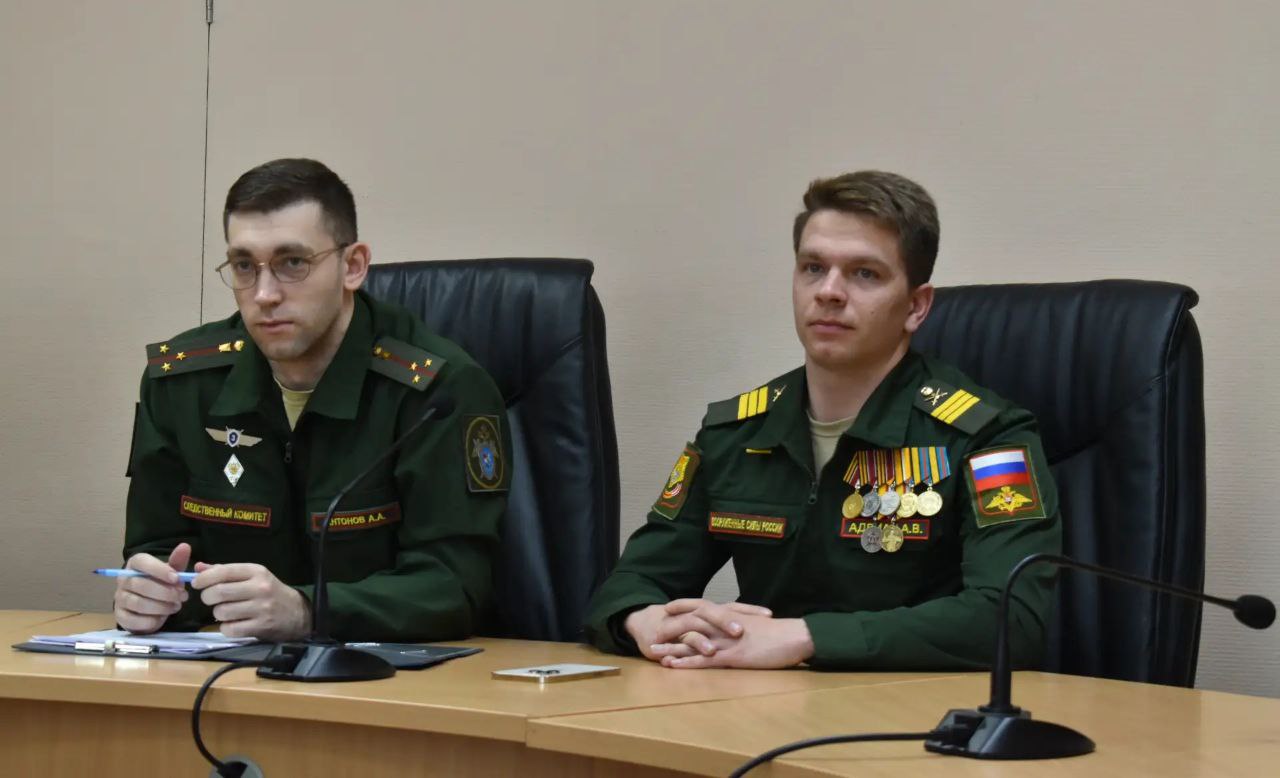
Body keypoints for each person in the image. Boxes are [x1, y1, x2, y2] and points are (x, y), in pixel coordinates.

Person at [584, 170, 1062, 670]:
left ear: (916, 307)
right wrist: (645, 621)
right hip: (757, 702)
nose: (829, 291)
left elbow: (1011, 619)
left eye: (864, 274)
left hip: (912, 707)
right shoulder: (737, 433)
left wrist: (804, 637)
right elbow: (629, 584)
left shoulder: (985, 437)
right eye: (813, 267)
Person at [116, 158, 510, 642]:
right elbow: (158, 552)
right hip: (224, 667)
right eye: (244, 266)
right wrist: (149, 595)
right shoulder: (182, 384)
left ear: (353, 266)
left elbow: (455, 585)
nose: (264, 294)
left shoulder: (438, 392)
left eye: (293, 263)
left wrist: (308, 610)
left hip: (396, 675)